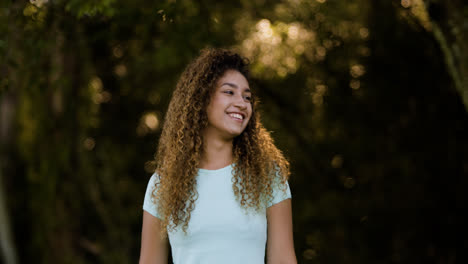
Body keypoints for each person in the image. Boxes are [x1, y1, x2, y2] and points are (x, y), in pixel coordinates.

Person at [139, 47, 297, 264]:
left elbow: (283, 259)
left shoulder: (267, 176)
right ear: (201, 99)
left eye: (247, 97)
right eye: (229, 92)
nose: (242, 103)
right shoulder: (163, 183)